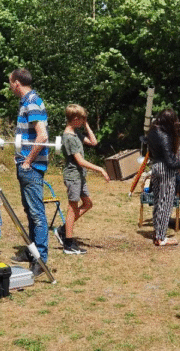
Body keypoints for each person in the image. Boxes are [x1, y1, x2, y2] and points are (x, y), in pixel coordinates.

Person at [8, 68, 49, 276]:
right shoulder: (26, 102)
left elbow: (42, 136)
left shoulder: (32, 102)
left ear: (17, 83)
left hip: (31, 167)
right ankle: (31, 252)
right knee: (30, 211)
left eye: (10, 82)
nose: (10, 87)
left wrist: (28, 161)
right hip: (25, 165)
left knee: (37, 214)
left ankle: (40, 260)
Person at [54, 104, 110, 255]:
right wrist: (100, 169)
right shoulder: (68, 137)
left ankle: (63, 230)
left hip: (80, 176)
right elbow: (80, 161)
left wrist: (86, 125)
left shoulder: (76, 133)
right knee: (72, 208)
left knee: (88, 203)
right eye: (82, 119)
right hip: (73, 177)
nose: (84, 121)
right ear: (75, 119)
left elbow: (94, 142)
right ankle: (68, 244)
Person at [147, 109, 180, 246]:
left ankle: (157, 232)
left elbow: (151, 153)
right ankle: (161, 237)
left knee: (157, 202)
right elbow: (170, 161)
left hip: (155, 166)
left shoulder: (152, 131)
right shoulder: (165, 135)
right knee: (166, 203)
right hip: (165, 170)